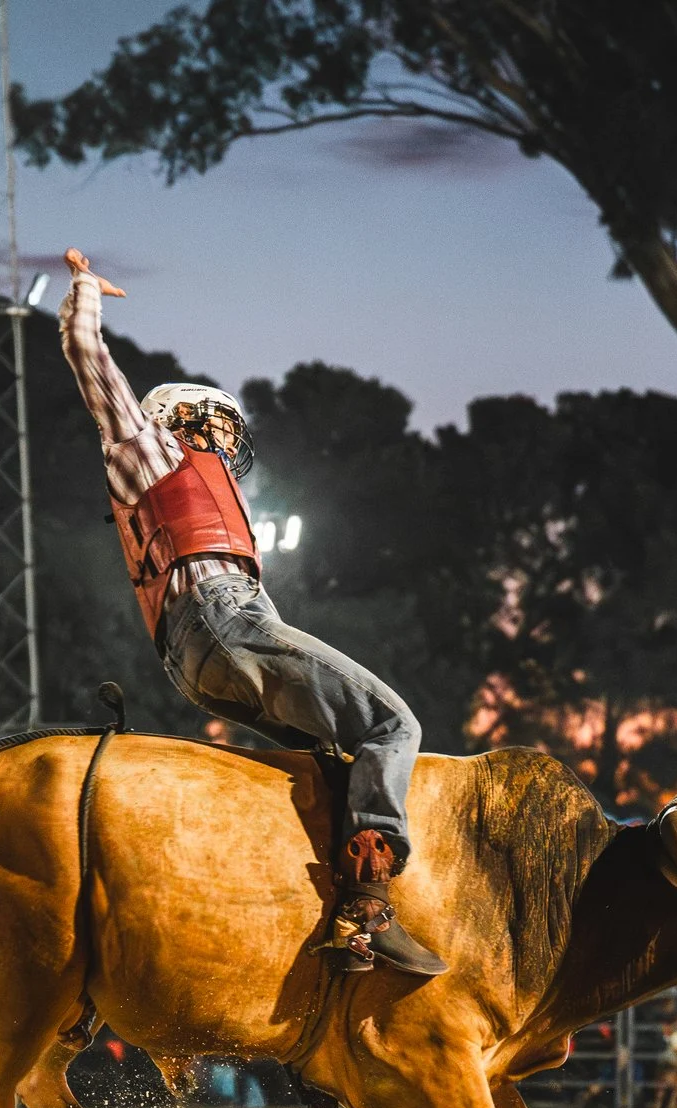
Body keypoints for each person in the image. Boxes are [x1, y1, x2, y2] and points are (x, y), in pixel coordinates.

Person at [56, 247, 444, 977]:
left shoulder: (165, 474)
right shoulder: (151, 450)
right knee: (394, 725)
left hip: (194, 653)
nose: (233, 441)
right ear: (183, 418)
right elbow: (85, 351)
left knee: (333, 759)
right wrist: (84, 288)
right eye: (225, 426)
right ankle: (366, 905)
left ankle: (338, 928)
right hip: (225, 619)